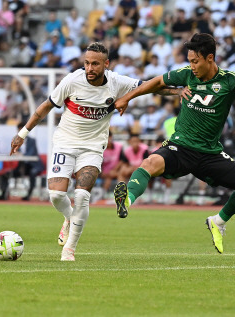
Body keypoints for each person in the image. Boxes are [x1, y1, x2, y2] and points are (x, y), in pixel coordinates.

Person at [113, 33, 235, 255]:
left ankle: (218, 221)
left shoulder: (229, 81)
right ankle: (127, 199)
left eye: (195, 61)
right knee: (150, 162)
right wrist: (128, 97)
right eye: (189, 61)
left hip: (209, 154)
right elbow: (157, 81)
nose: (192, 66)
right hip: (181, 147)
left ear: (210, 58)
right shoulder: (186, 75)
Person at [10, 42, 180, 261]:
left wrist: (178, 91)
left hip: (92, 147)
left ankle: (69, 249)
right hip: (65, 143)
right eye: (87, 63)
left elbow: (150, 86)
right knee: (56, 195)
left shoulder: (117, 82)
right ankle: (69, 218)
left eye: (95, 64)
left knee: (81, 195)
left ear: (106, 64)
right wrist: (22, 134)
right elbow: (46, 106)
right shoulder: (72, 81)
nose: (90, 68)